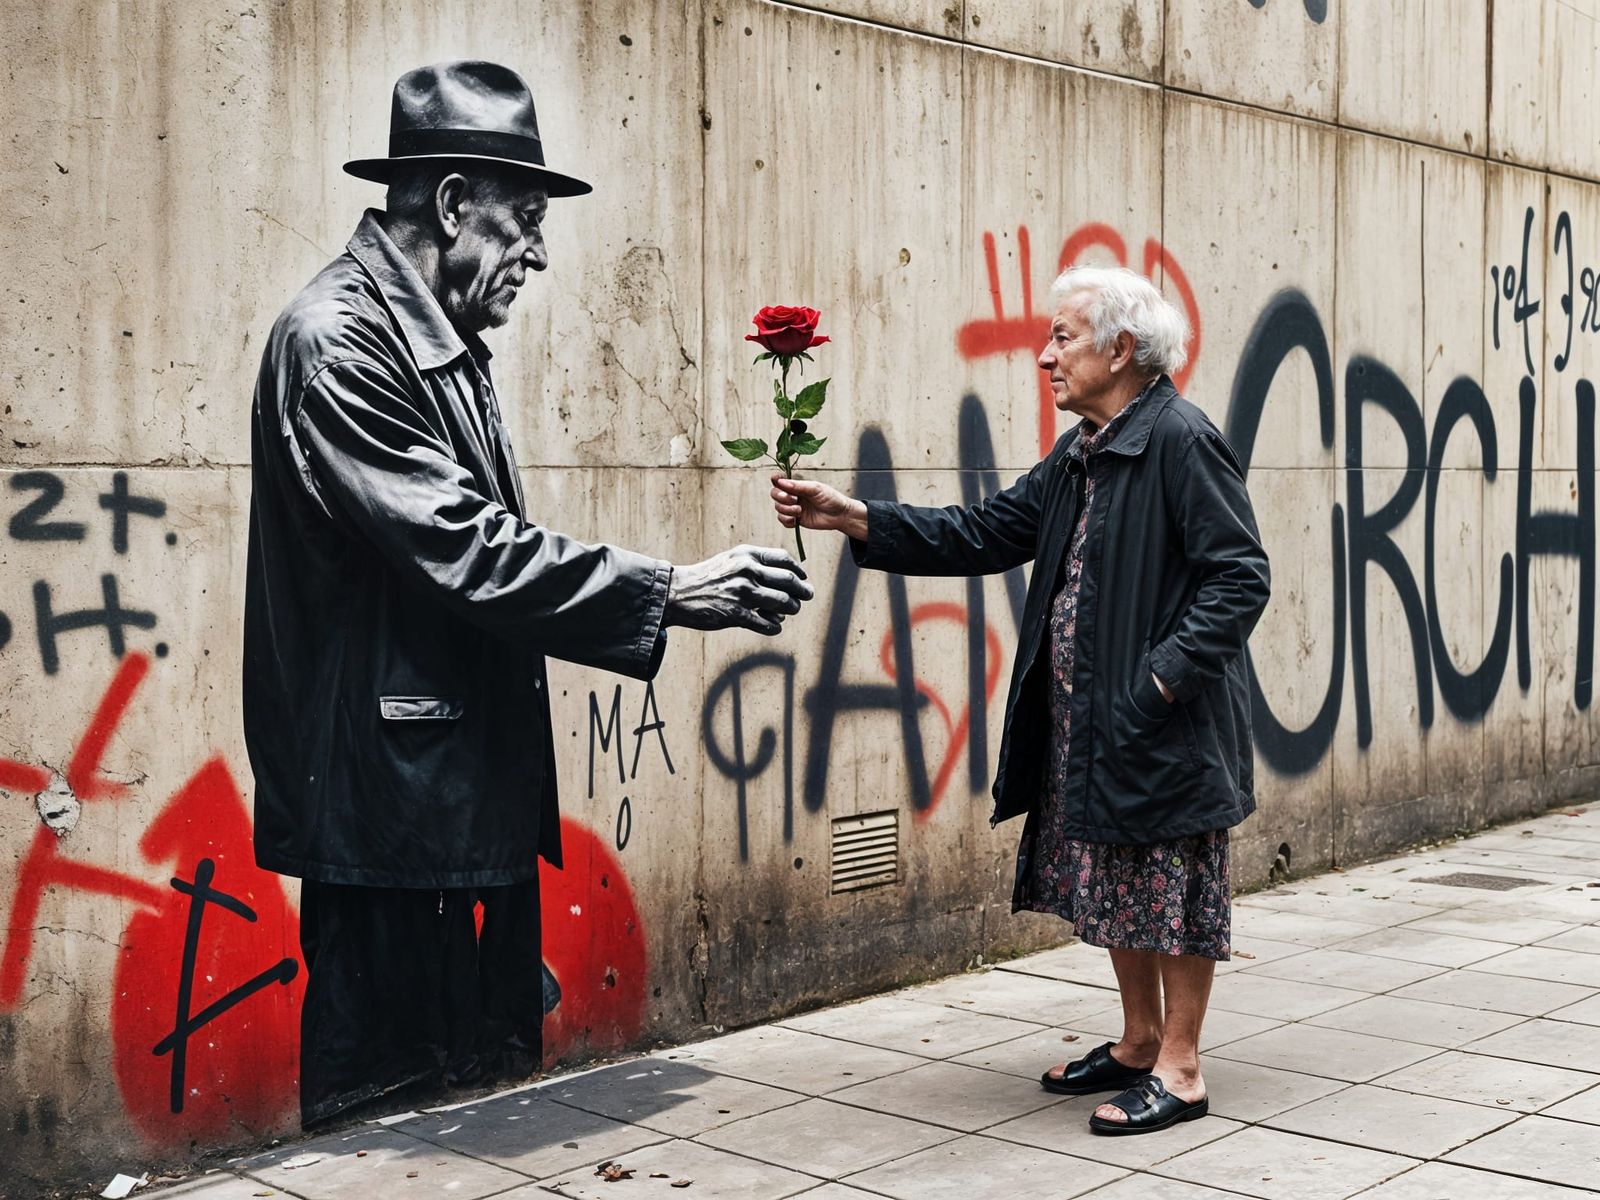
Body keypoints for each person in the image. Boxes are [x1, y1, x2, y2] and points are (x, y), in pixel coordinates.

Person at [243, 60, 812, 1129]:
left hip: (449, 798)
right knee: (395, 1111)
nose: (540, 253)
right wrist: (672, 590)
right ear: (454, 202)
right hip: (394, 821)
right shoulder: (341, 342)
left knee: (482, 1092)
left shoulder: (438, 337)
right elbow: (467, 548)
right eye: (525, 220)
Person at [772, 266, 1269, 1136]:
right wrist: (854, 516)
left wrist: (1158, 677)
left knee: (1176, 887)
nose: (1045, 356)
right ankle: (1139, 1042)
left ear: (1122, 350)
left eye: (1063, 338)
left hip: (1165, 720)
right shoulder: (1083, 454)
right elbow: (987, 531)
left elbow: (1240, 577)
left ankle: (1183, 1072)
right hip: (1097, 725)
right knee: (1121, 882)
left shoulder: (1180, 439)